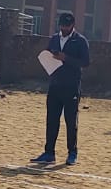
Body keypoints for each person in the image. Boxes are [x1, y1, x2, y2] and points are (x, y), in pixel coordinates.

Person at [32, 12, 92, 166]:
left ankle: (72, 152)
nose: (64, 28)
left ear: (72, 25)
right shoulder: (54, 39)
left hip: (71, 86)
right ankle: (49, 153)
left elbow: (85, 62)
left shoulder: (80, 41)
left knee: (71, 121)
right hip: (55, 85)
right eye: (62, 25)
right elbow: (48, 54)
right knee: (51, 120)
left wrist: (66, 58)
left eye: (67, 25)